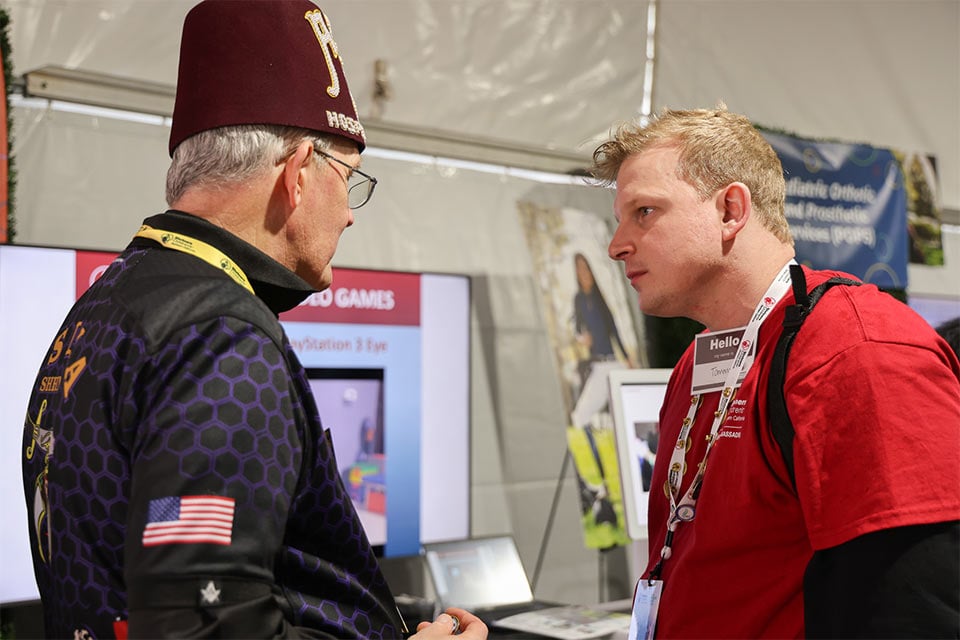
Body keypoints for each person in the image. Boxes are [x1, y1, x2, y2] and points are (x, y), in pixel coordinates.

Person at [20, 2, 487, 639]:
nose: (349, 214)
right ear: (298, 174)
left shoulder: (109, 305)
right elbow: (205, 626)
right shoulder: (220, 338)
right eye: (349, 178)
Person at [591, 105, 960, 638]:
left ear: (730, 209)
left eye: (644, 212)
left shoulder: (858, 349)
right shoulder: (699, 363)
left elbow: (919, 610)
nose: (617, 244)